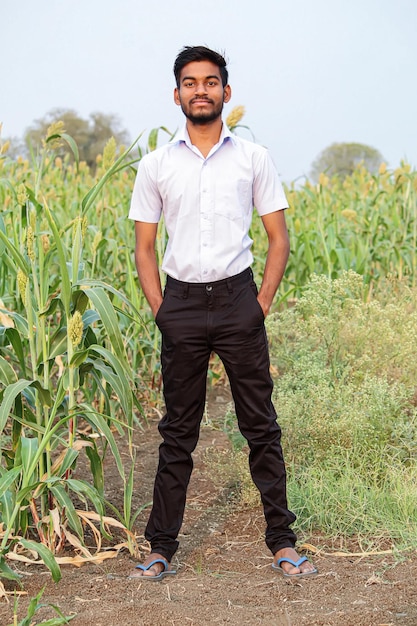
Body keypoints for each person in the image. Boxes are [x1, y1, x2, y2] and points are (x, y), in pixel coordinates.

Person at [128, 45, 317, 581]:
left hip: (238, 301)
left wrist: (259, 305)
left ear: (225, 93)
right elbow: (144, 248)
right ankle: (161, 547)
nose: (201, 91)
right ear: (177, 95)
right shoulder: (156, 165)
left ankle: (282, 542)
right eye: (190, 83)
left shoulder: (253, 159)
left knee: (261, 426)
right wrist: (163, 311)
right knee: (177, 431)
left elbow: (278, 238)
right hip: (181, 303)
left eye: (210, 82)